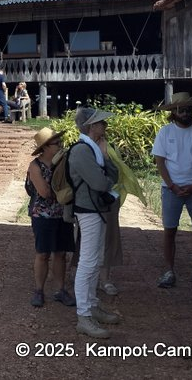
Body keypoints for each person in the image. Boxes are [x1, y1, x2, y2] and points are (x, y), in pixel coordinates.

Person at [151, 92, 192, 289]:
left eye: (188, 109)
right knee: (169, 231)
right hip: (171, 189)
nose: (185, 113)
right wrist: (172, 185)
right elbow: (160, 162)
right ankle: (168, 271)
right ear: (173, 112)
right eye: (181, 110)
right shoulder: (165, 132)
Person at [69, 106, 121, 338]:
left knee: (95, 259)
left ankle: (91, 306)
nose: (105, 126)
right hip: (88, 210)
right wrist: (106, 179)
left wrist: (106, 157)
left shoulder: (93, 148)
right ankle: (84, 316)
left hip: (96, 209)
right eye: (101, 123)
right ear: (90, 126)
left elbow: (112, 176)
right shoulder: (82, 150)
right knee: (88, 262)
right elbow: (101, 183)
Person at [25, 127, 76, 308]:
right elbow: (44, 192)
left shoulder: (65, 162)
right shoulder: (35, 166)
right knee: (43, 254)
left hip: (62, 214)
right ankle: (39, 290)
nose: (60, 145)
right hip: (42, 215)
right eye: (56, 143)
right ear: (45, 147)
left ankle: (60, 290)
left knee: (61, 254)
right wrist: (57, 173)